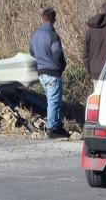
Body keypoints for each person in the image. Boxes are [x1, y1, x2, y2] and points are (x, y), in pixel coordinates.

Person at [29, 7, 69, 138]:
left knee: (52, 100)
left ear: (42, 19)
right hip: (52, 72)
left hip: (41, 72)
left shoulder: (35, 35)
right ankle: (52, 129)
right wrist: (62, 66)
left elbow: (31, 52)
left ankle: (56, 125)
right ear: (54, 20)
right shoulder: (52, 36)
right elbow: (57, 55)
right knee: (54, 101)